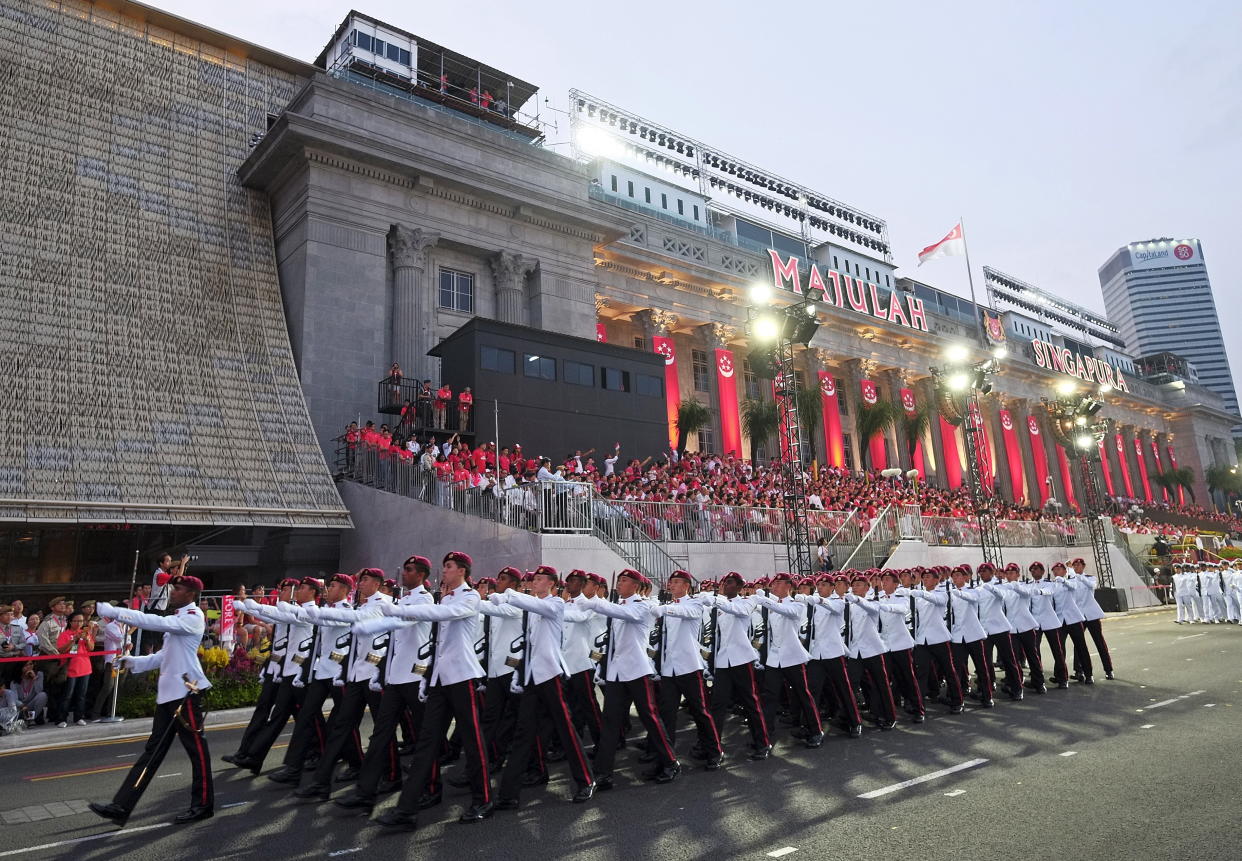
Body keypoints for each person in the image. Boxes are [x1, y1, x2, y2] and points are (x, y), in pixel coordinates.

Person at [375, 551, 491, 832]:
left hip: (463, 678)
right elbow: (437, 640)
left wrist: (400, 609)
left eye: (449, 567)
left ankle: (483, 799)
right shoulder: (447, 597)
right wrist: (428, 679)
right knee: (427, 743)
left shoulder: (469, 597)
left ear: (462, 571)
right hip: (440, 680)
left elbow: (444, 615)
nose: (445, 572)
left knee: (474, 743)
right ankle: (407, 809)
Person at [89, 574, 214, 827]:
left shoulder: (193, 618)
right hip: (170, 695)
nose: (172, 593)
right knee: (152, 752)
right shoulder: (180, 619)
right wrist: (135, 661)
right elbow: (164, 657)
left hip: (186, 693)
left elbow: (152, 621)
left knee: (197, 752)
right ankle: (121, 806)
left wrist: (117, 612)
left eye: (177, 589)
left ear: (190, 594)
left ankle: (203, 805)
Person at [335, 558, 436, 813]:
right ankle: (366, 791)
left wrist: (372, 624)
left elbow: (401, 622)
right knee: (380, 735)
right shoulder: (402, 600)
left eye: (410, 570)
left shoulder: (424, 599)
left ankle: (432, 788)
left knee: (427, 736)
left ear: (422, 574)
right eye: (404, 568)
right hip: (395, 676)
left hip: (414, 675)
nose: (405, 573)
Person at [491, 565, 595, 809]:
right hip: (532, 677)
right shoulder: (533, 607)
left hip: (550, 676)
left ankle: (586, 781)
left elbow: (535, 605)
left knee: (566, 730)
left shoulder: (556, 604)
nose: (534, 582)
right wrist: (520, 675)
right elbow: (528, 644)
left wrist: (509, 594)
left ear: (551, 583)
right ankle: (508, 794)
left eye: (539, 579)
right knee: (523, 733)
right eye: (533, 579)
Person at [581, 569, 680, 790]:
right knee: (610, 722)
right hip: (617, 672)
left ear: (635, 585)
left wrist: (593, 600)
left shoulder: (642, 606)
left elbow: (622, 614)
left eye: (624, 580)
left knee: (650, 718)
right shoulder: (621, 606)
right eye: (619, 580)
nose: (619, 584)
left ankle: (670, 762)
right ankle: (603, 772)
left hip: (636, 671)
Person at [650, 570, 723, 770]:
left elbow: (689, 613)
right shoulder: (668, 605)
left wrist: (665, 610)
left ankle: (714, 751)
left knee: (700, 712)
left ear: (686, 586)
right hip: (669, 669)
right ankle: (666, 759)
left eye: (675, 582)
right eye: (670, 582)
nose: (670, 585)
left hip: (690, 667)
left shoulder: (694, 603)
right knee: (666, 715)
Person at [704, 572, 771, 759]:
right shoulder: (721, 605)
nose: (726, 584)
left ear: (740, 587)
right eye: (725, 582)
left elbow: (739, 611)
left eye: (731, 582)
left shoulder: (746, 602)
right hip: (724, 661)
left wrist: (716, 600)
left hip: (742, 660)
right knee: (717, 705)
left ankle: (762, 743)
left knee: (751, 703)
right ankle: (713, 748)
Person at [755, 572, 825, 746]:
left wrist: (764, 598)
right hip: (775, 657)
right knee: (769, 697)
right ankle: (764, 735)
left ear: (788, 586)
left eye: (779, 583)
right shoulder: (773, 604)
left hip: (793, 657)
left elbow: (785, 611)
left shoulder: (796, 604)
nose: (774, 586)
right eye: (774, 583)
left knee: (803, 695)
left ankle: (816, 731)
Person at [1068, 557, 1114, 680]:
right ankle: (1079, 670)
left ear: (1083, 566)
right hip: (1079, 615)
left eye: (1079, 565)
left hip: (1091, 614)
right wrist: (1070, 574)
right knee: (1078, 644)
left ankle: (1108, 669)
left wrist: (1079, 577)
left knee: (1099, 642)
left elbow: (1092, 586)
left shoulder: (1089, 578)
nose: (1076, 567)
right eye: (1074, 565)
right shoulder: (1071, 580)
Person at [56, 612, 95, 726]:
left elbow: (91, 648)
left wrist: (87, 639)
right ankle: (61, 718)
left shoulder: (85, 632)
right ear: (70, 622)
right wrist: (75, 640)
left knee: (81, 695)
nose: (79, 624)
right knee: (67, 695)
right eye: (76, 621)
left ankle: (79, 716)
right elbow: (62, 650)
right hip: (71, 668)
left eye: (81, 621)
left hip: (85, 667)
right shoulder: (65, 634)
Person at [14, 661, 47, 725]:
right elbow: (15, 699)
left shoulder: (39, 674)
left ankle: (31, 719)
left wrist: (34, 678)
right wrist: (22, 706)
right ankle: (24, 719)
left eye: (31, 664)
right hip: (21, 707)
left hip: (32, 705)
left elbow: (39, 691)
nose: (29, 667)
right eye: (26, 665)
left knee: (43, 695)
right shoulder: (15, 681)